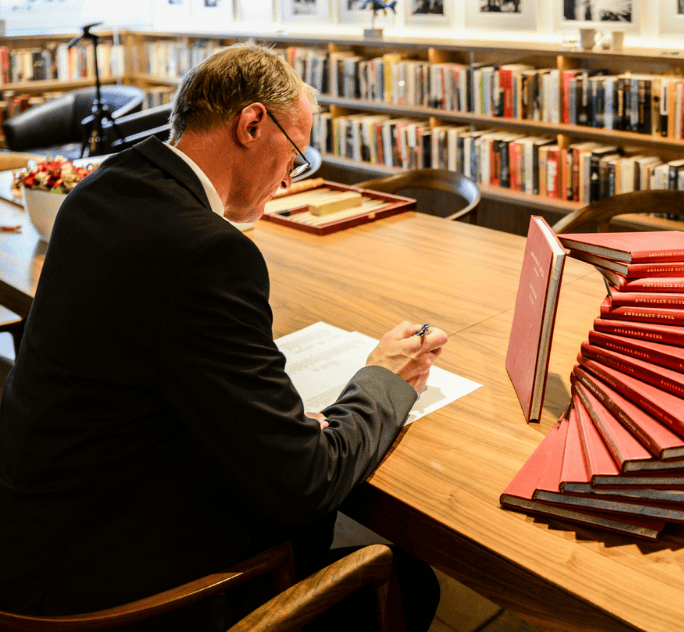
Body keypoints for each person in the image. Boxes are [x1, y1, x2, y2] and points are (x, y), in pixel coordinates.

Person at [0, 42, 446, 630]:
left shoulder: (102, 190)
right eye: (294, 156)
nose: (288, 180)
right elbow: (306, 484)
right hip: (103, 597)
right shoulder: (209, 253)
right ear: (252, 123)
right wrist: (383, 379)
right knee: (411, 580)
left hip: (34, 538)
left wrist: (269, 426)